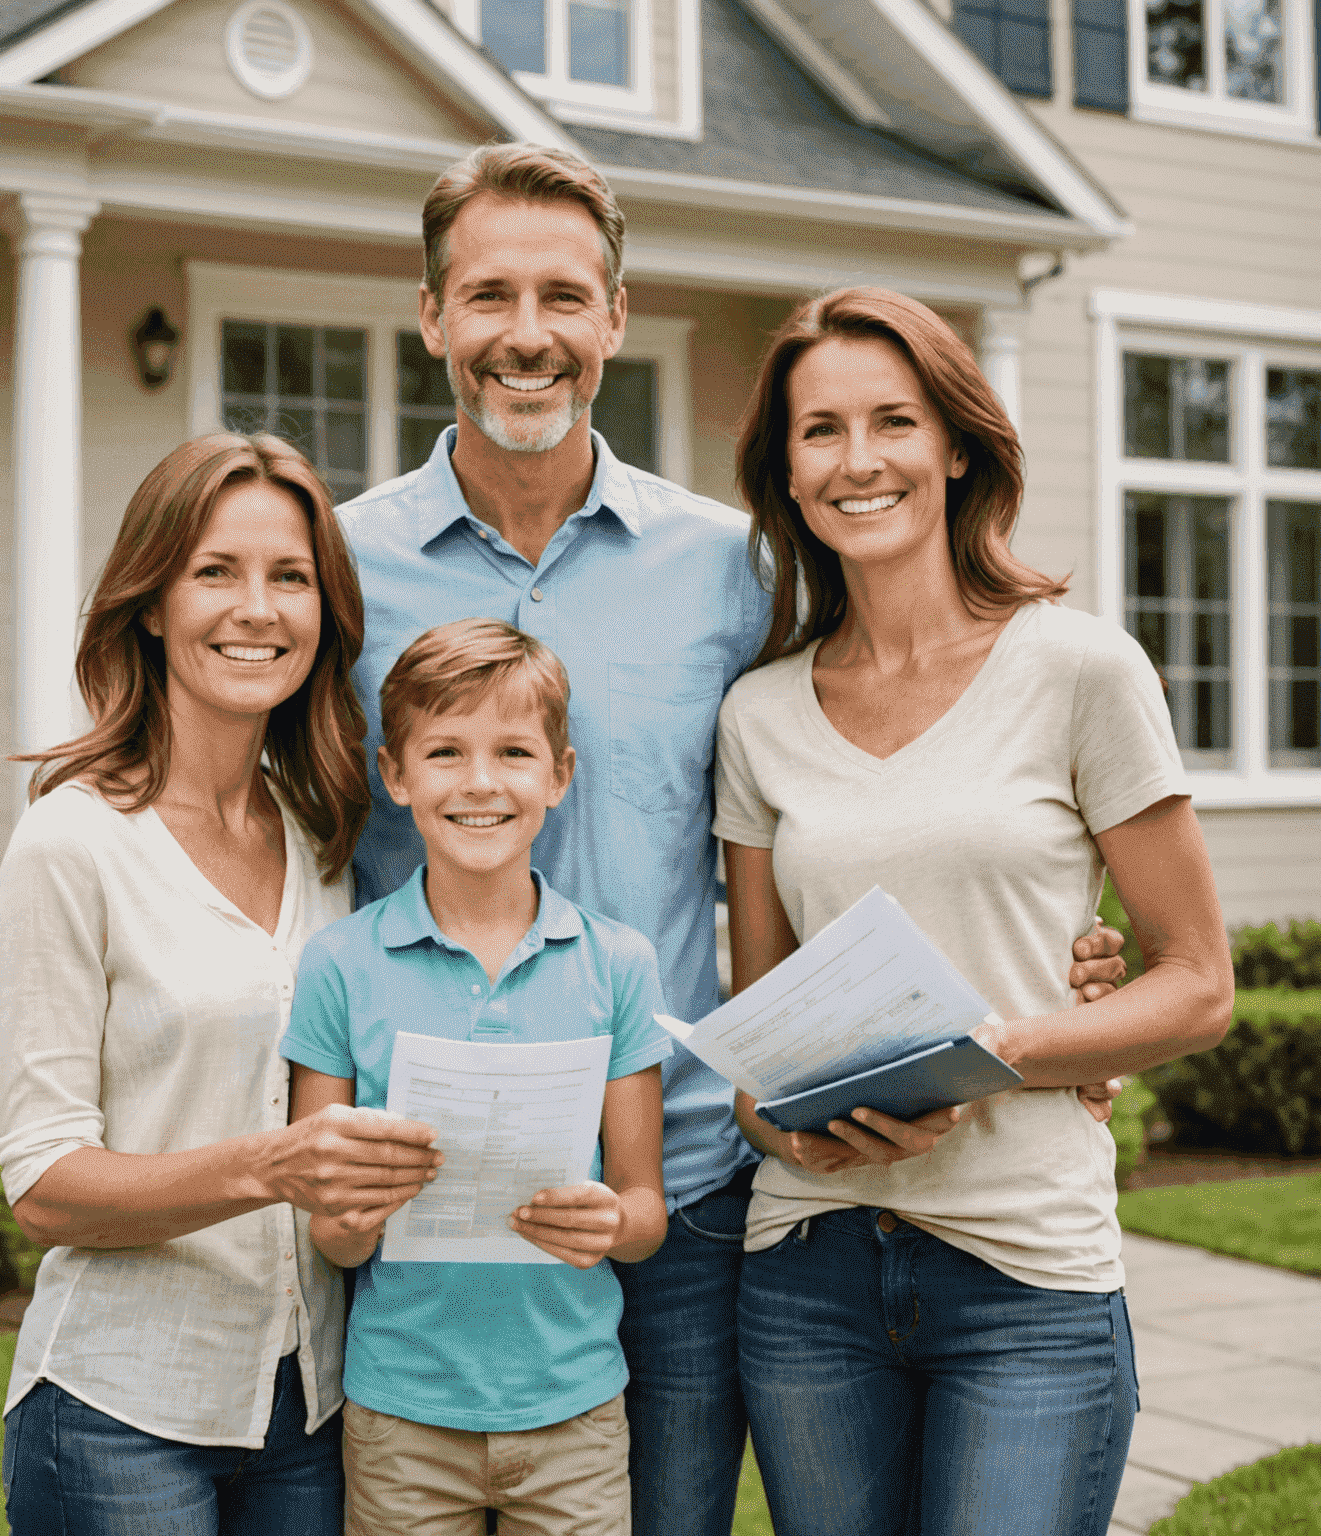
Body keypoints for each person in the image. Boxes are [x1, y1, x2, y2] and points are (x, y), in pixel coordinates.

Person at [337, 143, 1132, 1536]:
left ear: (616, 319)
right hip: (435, 1196)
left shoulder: (734, 573)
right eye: (490, 298)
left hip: (695, 1188)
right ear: (432, 317)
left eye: (564, 298)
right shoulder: (339, 576)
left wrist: (1044, 987)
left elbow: (873, 775)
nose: (528, 336)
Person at [716, 288, 1235, 1536]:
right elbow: (757, 1033)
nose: (859, 461)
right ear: (786, 470)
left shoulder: (1080, 669)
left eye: (893, 421)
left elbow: (1198, 981)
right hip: (808, 1271)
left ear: (955, 442)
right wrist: (788, 1132)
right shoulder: (758, 714)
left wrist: (1007, 1047)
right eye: (821, 430)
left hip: (1027, 1274)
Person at [0, 434, 443, 1536]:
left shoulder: (326, 844)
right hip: (119, 1415)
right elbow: (43, 1184)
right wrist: (270, 1165)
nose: (258, 609)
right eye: (215, 573)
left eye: (290, 578)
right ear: (151, 603)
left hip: (311, 1411)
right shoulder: (73, 844)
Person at [281, 618, 672, 1534]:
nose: (482, 782)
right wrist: (348, 1216)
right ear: (396, 775)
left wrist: (613, 1221)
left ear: (560, 774)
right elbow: (327, 1232)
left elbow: (646, 1210)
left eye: (513, 752)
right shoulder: (341, 965)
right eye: (446, 752)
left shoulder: (617, 965)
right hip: (403, 1412)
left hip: (573, 1409)